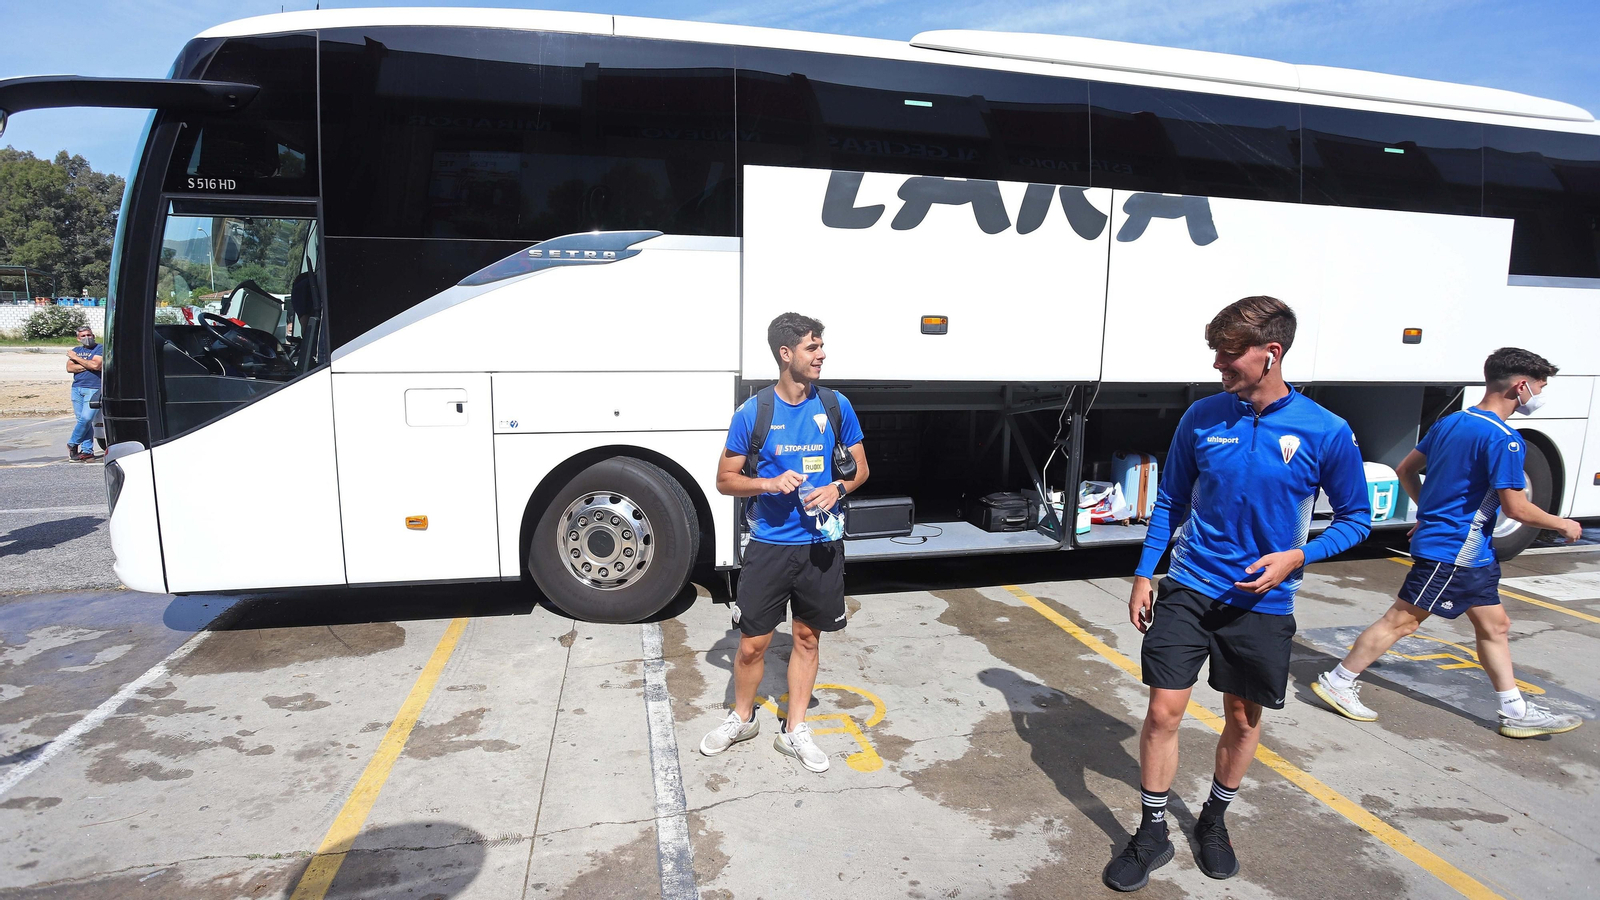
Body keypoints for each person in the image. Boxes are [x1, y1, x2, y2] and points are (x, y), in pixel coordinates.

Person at [1104, 296, 1372, 893]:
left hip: (1263, 602)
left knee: (1244, 718)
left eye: (1230, 356)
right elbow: (1170, 500)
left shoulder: (1325, 431)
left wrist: (1299, 556)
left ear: (1270, 354)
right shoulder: (1201, 417)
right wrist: (1147, 573)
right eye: (1216, 355)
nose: (1219, 368)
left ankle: (1214, 821)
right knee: (1162, 712)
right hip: (1190, 587)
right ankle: (1151, 832)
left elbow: (1357, 518)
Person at [1312, 348, 1584, 739]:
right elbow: (1518, 508)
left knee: (1496, 626)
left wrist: (1429, 513)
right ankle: (1339, 680)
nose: (1540, 395)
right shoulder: (1505, 440)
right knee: (1401, 622)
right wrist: (1562, 524)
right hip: (1455, 552)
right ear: (1521, 386)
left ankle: (1515, 709)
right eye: (1540, 386)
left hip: (1470, 552)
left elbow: (1406, 470)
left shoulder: (1452, 422)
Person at [699, 312, 869, 773]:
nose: (822, 355)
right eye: (813, 347)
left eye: (821, 346)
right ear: (785, 353)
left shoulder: (835, 406)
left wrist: (838, 488)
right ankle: (742, 717)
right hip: (770, 546)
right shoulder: (753, 413)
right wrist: (768, 485)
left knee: (808, 638)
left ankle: (794, 728)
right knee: (752, 643)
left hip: (820, 547)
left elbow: (861, 469)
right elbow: (724, 480)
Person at [64, 324, 103, 462]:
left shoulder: (100, 348)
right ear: (78, 338)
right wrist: (87, 365)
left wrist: (77, 359)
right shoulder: (77, 349)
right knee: (82, 421)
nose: (87, 338)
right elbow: (69, 368)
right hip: (77, 388)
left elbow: (96, 365)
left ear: (93, 336)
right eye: (83, 336)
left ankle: (72, 443)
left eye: (89, 335)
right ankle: (87, 451)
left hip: (93, 388)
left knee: (87, 418)